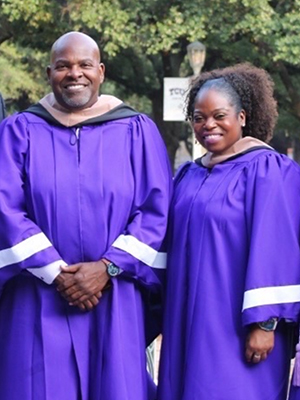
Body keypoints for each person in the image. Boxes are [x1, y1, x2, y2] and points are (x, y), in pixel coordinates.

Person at [0, 31, 172, 400]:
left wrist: (107, 267)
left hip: (115, 295)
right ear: (49, 73)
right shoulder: (18, 131)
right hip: (38, 295)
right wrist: (55, 273)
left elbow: (156, 209)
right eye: (63, 66)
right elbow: (5, 206)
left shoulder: (137, 130)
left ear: (101, 72)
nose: (74, 73)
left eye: (84, 65)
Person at [157, 63, 300, 400]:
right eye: (199, 117)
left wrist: (264, 324)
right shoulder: (189, 174)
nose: (208, 125)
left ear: (243, 117)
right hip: (185, 323)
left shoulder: (269, 170)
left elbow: (277, 248)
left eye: (219, 115)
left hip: (238, 328)